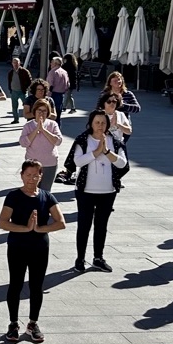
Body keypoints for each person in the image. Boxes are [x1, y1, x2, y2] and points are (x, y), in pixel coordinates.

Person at [0, 161, 65, 344]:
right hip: (17, 247)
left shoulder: (47, 196)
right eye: (28, 175)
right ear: (22, 175)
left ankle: (33, 323)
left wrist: (40, 228)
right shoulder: (13, 196)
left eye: (36, 175)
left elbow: (61, 222)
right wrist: (26, 228)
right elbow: (3, 223)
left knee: (37, 286)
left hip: (39, 248)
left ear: (41, 176)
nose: (32, 179)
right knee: (16, 284)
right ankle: (13, 324)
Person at [70, 109, 128, 273]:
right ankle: (80, 258)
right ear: (91, 123)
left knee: (101, 225)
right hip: (85, 191)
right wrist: (96, 152)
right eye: (97, 122)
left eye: (103, 123)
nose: (100, 126)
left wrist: (107, 152)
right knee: (84, 225)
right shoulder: (83, 139)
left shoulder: (114, 141)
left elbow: (122, 163)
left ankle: (98, 257)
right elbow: (78, 161)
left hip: (108, 191)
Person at [19, 99, 64, 188]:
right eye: (39, 110)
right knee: (31, 190)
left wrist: (43, 130)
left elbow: (58, 141)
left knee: (45, 192)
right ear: (35, 111)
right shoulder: (28, 125)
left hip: (49, 164)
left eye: (44, 111)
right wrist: (36, 130)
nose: (41, 113)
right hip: (32, 164)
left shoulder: (53, 124)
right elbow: (23, 143)